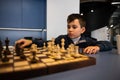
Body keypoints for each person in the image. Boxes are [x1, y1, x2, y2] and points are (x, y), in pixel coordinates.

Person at [15, 13, 113, 54]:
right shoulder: (61, 39)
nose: (70, 30)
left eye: (74, 27)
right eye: (68, 27)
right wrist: (31, 42)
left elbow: (109, 44)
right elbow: (45, 43)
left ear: (82, 30)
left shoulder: (88, 41)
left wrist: (97, 47)